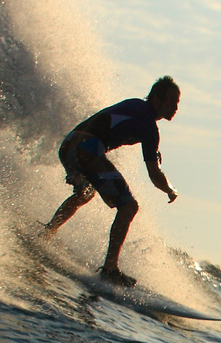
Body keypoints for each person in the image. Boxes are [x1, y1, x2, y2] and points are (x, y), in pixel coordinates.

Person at [46, 76, 181, 282]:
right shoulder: (149, 127)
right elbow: (154, 175)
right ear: (156, 98)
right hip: (86, 149)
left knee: (85, 193)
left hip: (68, 146)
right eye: (172, 101)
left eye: (178, 102)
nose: (175, 107)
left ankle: (48, 232)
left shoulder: (136, 106)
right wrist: (170, 190)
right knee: (128, 207)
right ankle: (110, 269)